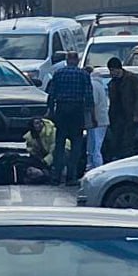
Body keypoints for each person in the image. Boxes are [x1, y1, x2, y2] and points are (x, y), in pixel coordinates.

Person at [45, 51, 94, 186]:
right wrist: (89, 114)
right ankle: (71, 176)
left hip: (61, 109)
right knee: (76, 145)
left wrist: (50, 110)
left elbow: (51, 94)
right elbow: (89, 96)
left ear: (67, 61)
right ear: (77, 61)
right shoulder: (83, 74)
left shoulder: (58, 73)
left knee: (59, 144)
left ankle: (56, 176)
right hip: (77, 111)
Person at [106, 57, 138, 161]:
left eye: (112, 70)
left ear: (118, 69)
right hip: (117, 117)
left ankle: (128, 160)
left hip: (130, 116)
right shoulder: (112, 83)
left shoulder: (132, 79)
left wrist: (137, 114)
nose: (111, 73)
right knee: (116, 142)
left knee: (128, 142)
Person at [84, 65, 110, 171]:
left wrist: (93, 119)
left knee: (94, 148)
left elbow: (92, 104)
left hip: (96, 121)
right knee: (95, 146)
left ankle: (97, 169)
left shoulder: (93, 85)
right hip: (102, 120)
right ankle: (92, 167)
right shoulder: (100, 85)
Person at [24, 116, 56, 183]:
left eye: (41, 122)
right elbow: (31, 150)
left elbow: (54, 148)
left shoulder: (52, 131)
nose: (40, 124)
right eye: (37, 123)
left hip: (55, 154)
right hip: (43, 156)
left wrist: (45, 161)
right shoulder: (30, 137)